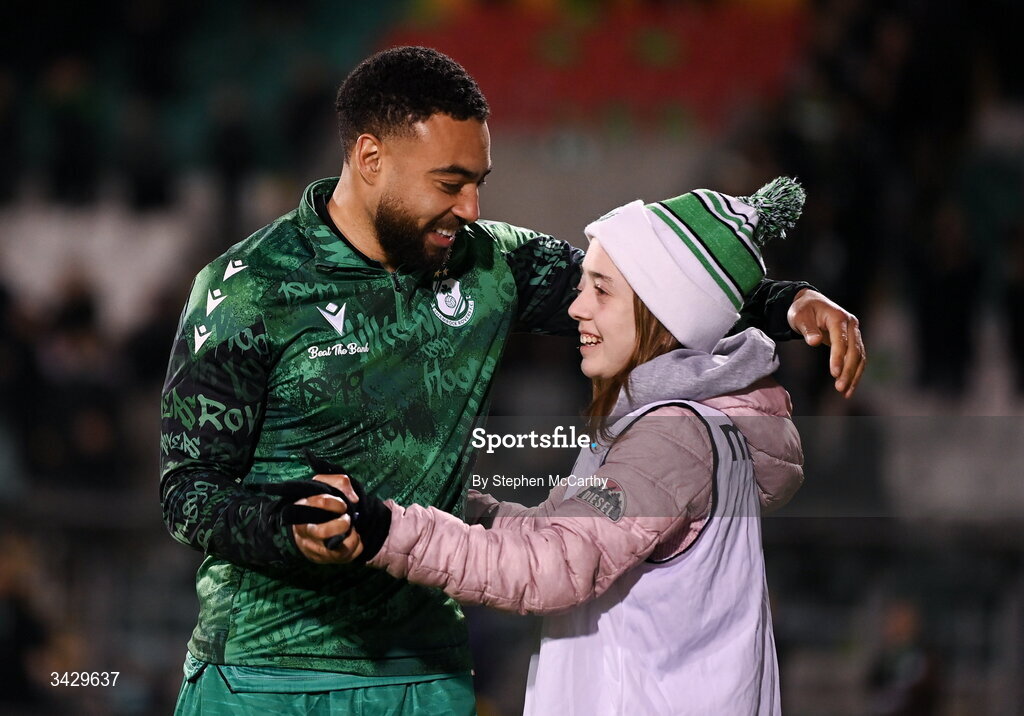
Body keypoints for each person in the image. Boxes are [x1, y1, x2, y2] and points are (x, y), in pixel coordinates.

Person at [160, 46, 863, 714]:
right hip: (265, 670)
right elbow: (186, 491)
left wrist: (785, 302)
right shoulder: (245, 290)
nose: (469, 208)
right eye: (450, 183)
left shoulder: (492, 265)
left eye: (478, 183)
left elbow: (651, 292)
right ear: (371, 158)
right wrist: (285, 526)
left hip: (424, 672)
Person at [311, 177, 806, 714]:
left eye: (602, 289)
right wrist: (439, 498)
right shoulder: (694, 428)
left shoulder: (673, 438)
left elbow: (551, 565)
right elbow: (552, 532)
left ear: (664, 312)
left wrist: (387, 530)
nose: (575, 308)